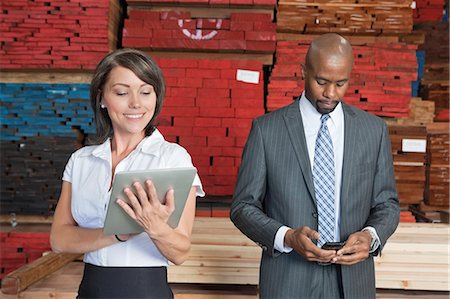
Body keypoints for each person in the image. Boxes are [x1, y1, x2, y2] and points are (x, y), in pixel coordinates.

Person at [230, 33, 400, 299]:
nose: (330, 93)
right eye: (321, 81)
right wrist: (286, 237)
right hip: (288, 279)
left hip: (353, 282)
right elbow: (242, 207)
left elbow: (387, 204)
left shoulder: (373, 131)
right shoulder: (267, 130)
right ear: (303, 71)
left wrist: (371, 236)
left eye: (340, 83)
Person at [50, 48, 204, 299]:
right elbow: (59, 239)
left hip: (146, 290)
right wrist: (118, 234)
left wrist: (154, 227)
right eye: (122, 92)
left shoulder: (173, 158)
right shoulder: (81, 161)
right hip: (90, 291)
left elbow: (180, 252)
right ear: (102, 98)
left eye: (146, 92)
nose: (136, 103)